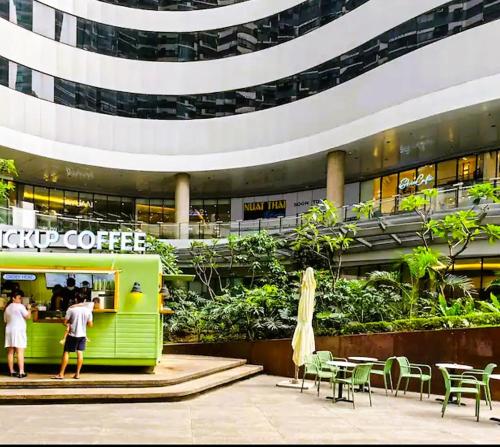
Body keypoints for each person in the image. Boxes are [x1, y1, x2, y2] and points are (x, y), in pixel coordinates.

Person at [52, 295, 93, 380]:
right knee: (80, 353)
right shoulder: (88, 311)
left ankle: (61, 374)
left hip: (72, 334)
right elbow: (90, 325)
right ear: (84, 300)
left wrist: (69, 324)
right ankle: (77, 374)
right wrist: (83, 323)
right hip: (82, 335)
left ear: (75, 299)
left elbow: (65, 322)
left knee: (66, 352)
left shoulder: (71, 309)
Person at [3, 290, 31, 378]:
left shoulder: (7, 307)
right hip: (18, 331)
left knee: (10, 352)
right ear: (13, 298)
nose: (20, 300)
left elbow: (5, 320)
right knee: (20, 351)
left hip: (9, 330)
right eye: (19, 298)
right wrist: (29, 308)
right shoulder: (20, 306)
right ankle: (21, 372)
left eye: (21, 298)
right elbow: (27, 316)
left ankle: (11, 371)